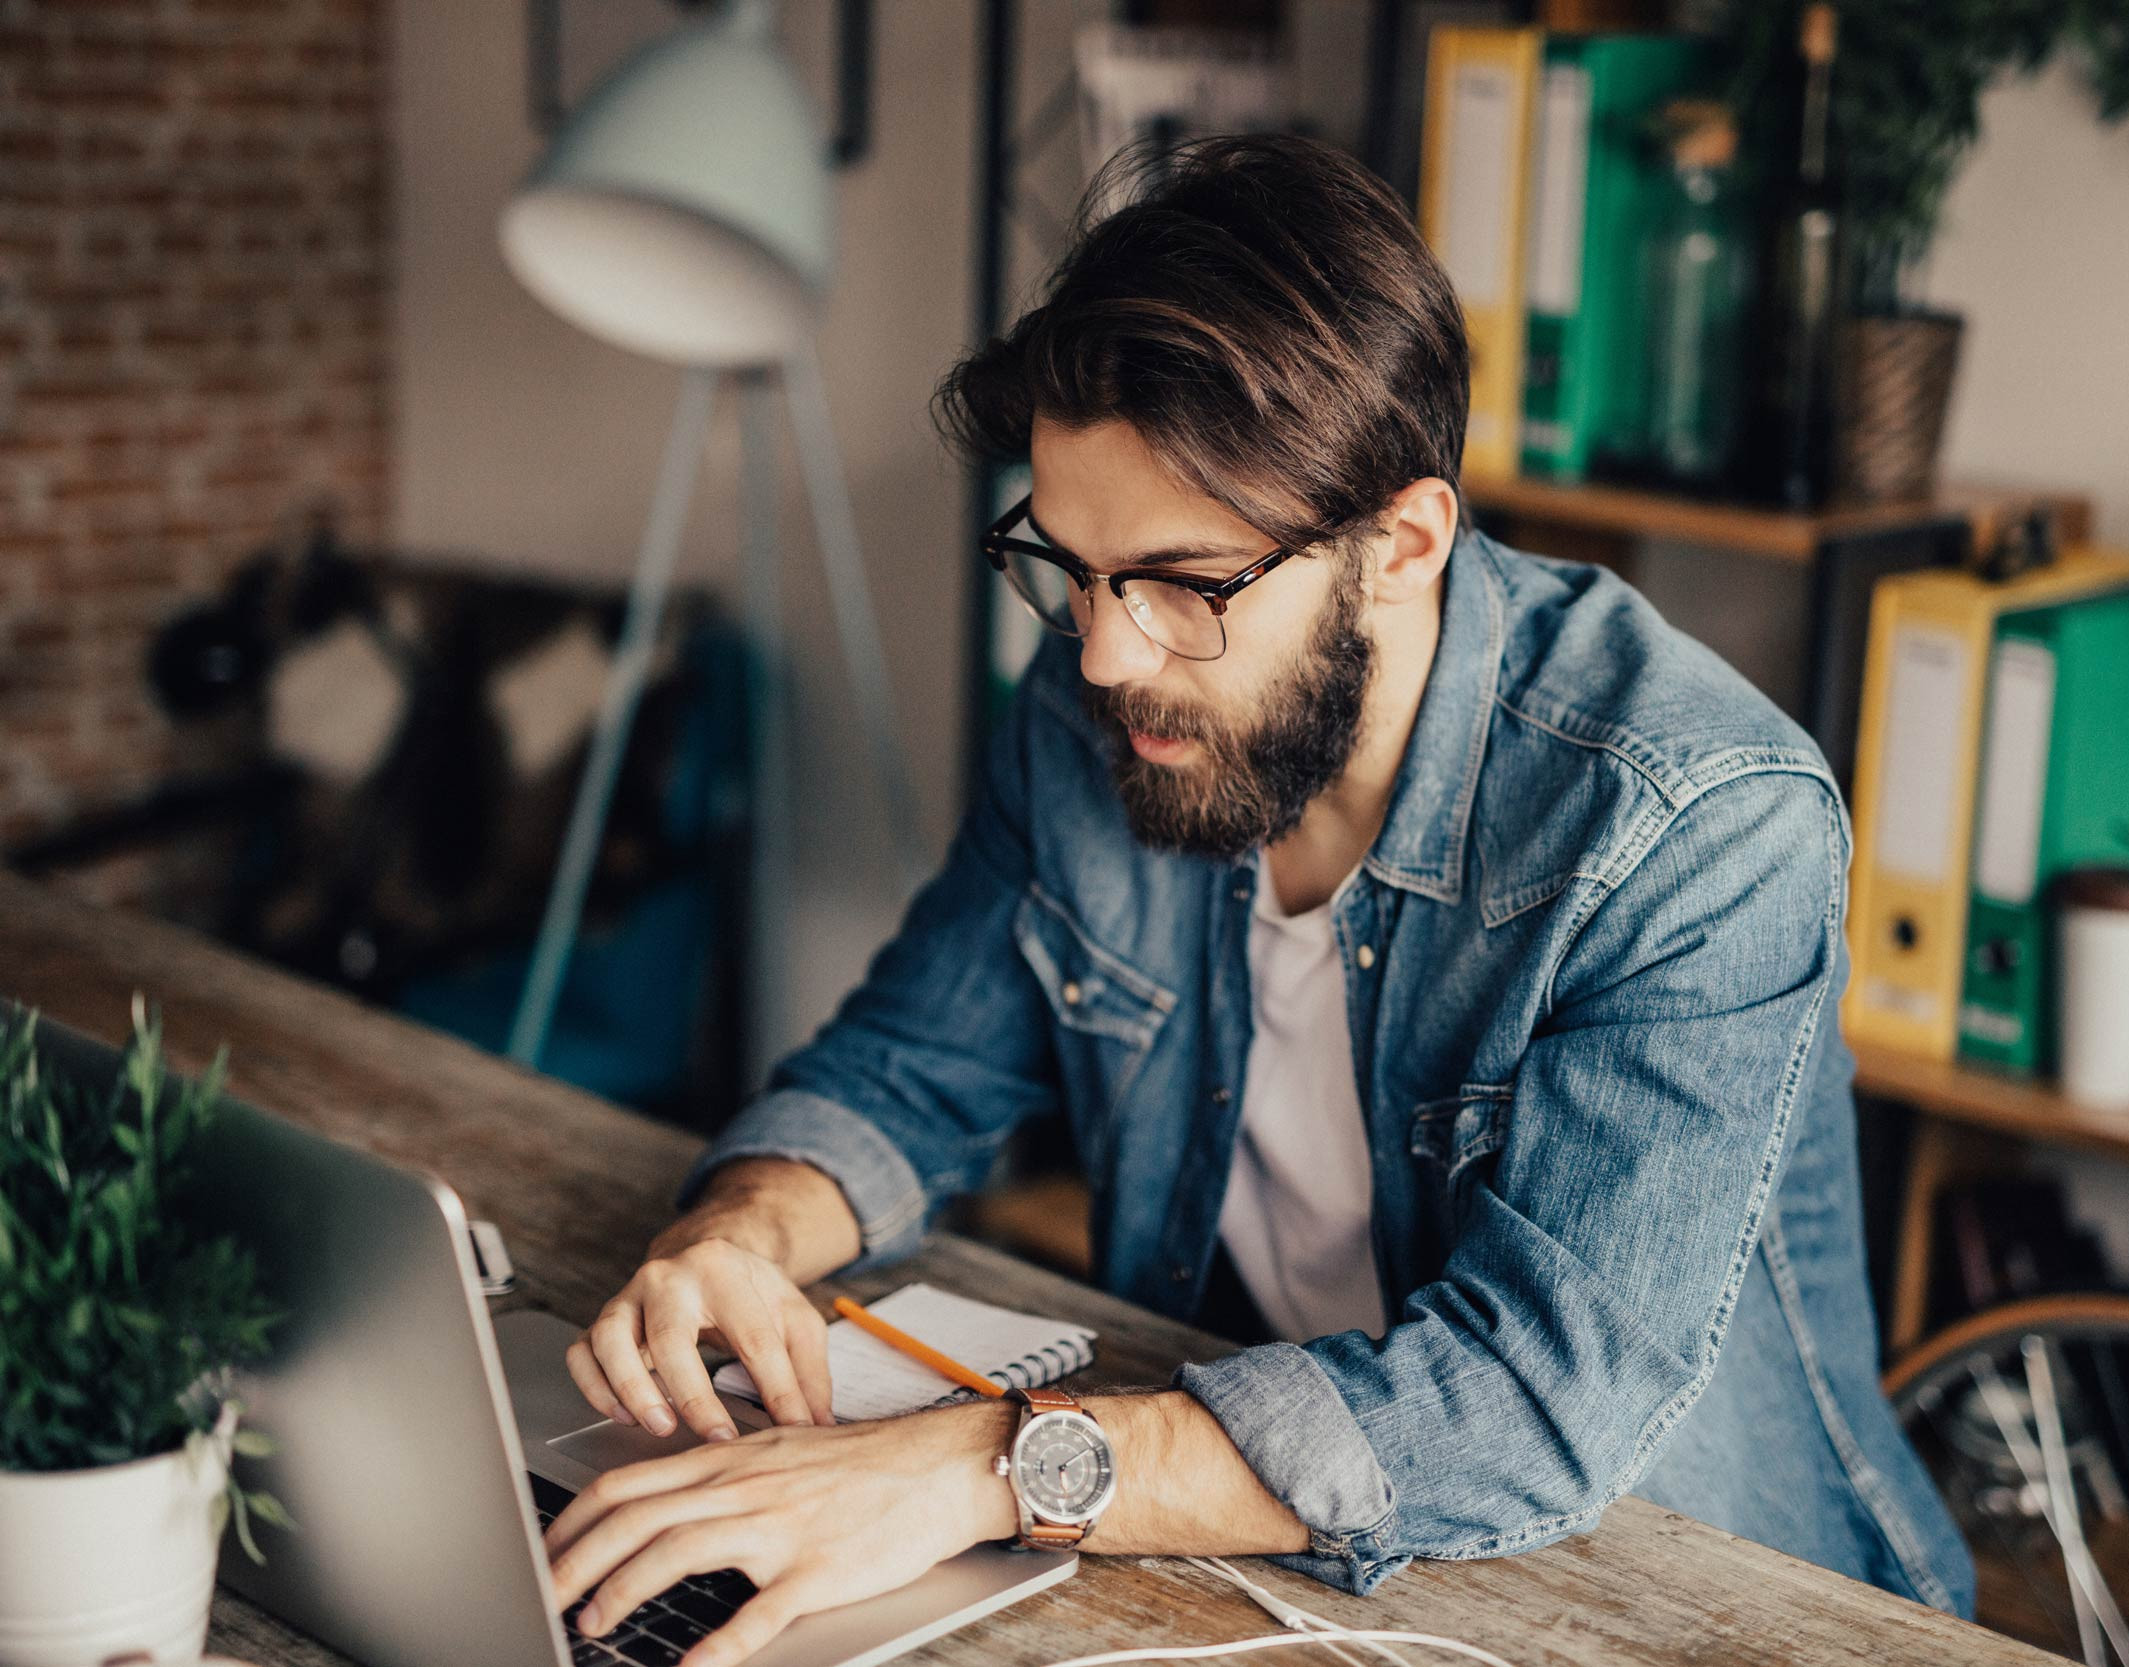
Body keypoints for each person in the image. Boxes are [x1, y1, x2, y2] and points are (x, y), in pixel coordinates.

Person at [541, 134, 1974, 1667]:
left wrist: (981, 1467)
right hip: (1261, 1554)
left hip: (1692, 1599)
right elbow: (912, 1064)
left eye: (1182, 582)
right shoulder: (1108, 704)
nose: (1101, 653)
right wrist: (745, 1236)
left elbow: (1531, 1402)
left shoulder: (1698, 826)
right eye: (1070, 568)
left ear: (1403, 543)